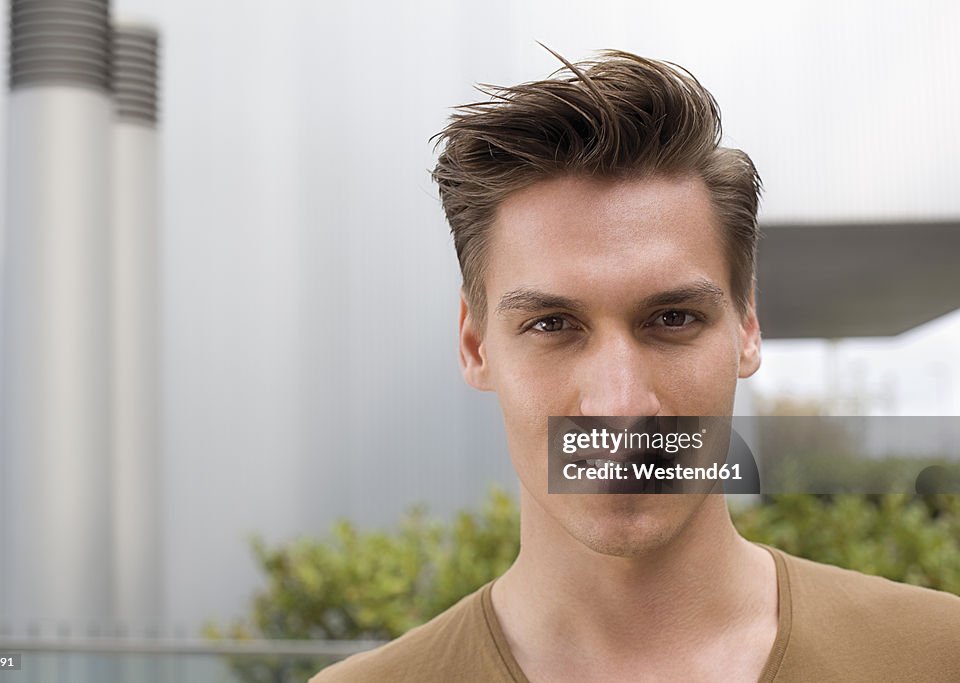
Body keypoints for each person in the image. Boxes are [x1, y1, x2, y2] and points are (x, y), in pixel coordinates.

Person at [312, 49, 960, 682]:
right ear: (476, 345)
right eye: (552, 324)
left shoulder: (937, 655)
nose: (620, 402)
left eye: (673, 318)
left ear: (748, 327)